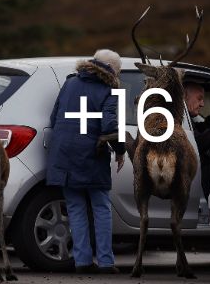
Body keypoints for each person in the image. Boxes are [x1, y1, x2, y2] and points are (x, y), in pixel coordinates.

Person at [47, 49, 127, 274]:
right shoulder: (109, 89)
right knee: (101, 208)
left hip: (64, 153)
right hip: (91, 154)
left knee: (75, 208)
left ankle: (82, 261)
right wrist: (120, 150)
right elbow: (110, 126)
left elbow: (54, 118)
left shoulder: (70, 83)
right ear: (112, 69)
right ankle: (105, 262)